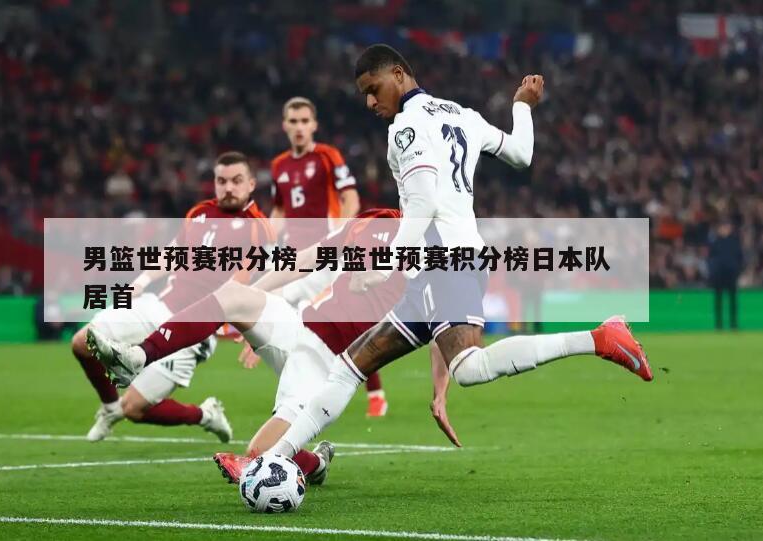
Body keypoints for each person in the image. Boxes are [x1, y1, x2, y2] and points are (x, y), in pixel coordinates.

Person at [254, 44, 654, 461]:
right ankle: (274, 459)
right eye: (365, 95)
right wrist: (522, 106)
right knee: (348, 367)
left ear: (398, 74)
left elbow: (423, 201)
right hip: (445, 262)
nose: (370, 102)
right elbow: (522, 154)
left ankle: (599, 338)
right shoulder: (464, 115)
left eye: (373, 89)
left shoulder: (405, 127)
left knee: (468, 367)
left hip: (443, 258)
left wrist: (386, 264)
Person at [87, 209, 417, 484]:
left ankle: (315, 464)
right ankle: (138, 356)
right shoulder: (372, 220)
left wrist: (440, 388)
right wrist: (255, 304)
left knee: (259, 452)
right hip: (299, 326)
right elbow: (306, 259)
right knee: (234, 295)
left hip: (329, 363)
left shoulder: (431, 243)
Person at [71, 151, 270, 442]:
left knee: (134, 409)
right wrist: (141, 281)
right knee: (82, 342)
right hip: (158, 305)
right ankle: (110, 408)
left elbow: (244, 286)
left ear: (251, 184)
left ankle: (205, 415)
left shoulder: (258, 228)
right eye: (222, 181)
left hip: (194, 329)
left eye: (236, 181)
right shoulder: (199, 212)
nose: (228, 188)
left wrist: (254, 335)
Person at [269, 96, 388, 417]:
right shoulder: (279, 165)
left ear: (314, 125)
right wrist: (267, 238)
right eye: (293, 121)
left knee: (347, 322)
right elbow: (279, 210)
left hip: (326, 256)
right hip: (295, 257)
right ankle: (300, 390)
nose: (299, 127)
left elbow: (351, 199)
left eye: (304, 121)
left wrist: (341, 236)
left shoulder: (327, 156)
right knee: (290, 321)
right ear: (284, 125)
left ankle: (375, 393)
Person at [708, 220, 743, 330]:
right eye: (723, 227)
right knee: (718, 300)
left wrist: (737, 270)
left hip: (731, 274)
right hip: (719, 274)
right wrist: (713, 272)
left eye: (727, 227)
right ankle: (719, 324)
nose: (725, 229)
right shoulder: (715, 242)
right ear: (719, 229)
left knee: (733, 300)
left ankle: (733, 323)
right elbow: (711, 258)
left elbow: (740, 257)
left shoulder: (735, 241)